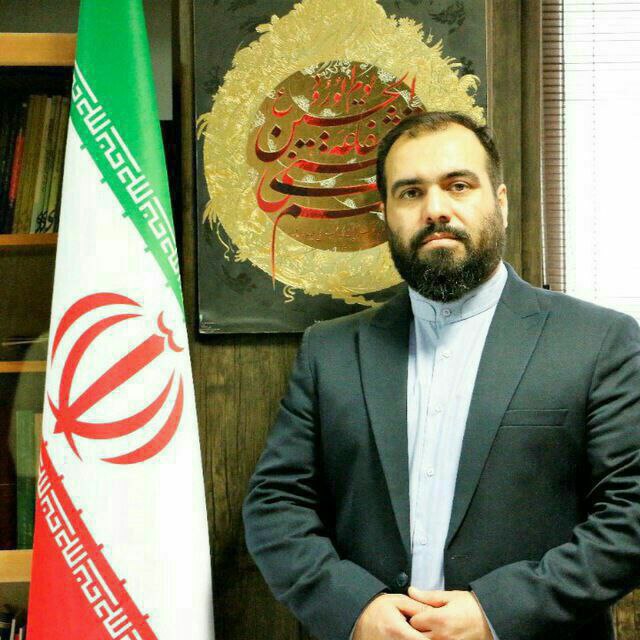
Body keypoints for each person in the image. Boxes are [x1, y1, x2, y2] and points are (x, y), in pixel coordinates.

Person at [242, 111, 640, 640]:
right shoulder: (330, 351)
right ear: (386, 215)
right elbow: (276, 505)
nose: (435, 209)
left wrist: (497, 613)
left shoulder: (599, 341)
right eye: (411, 192)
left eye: (458, 185)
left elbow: (630, 514)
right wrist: (354, 610)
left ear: (500, 202)